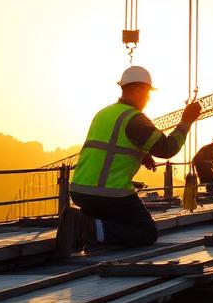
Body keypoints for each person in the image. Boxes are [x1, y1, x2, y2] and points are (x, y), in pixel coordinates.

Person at [56, 66, 201, 255]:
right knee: (146, 232)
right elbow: (167, 148)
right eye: (147, 93)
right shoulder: (135, 119)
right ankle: (87, 227)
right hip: (109, 193)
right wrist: (186, 122)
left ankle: (89, 224)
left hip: (80, 191)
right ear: (138, 90)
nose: (148, 99)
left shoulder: (104, 113)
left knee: (118, 222)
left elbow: (110, 146)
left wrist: (141, 154)